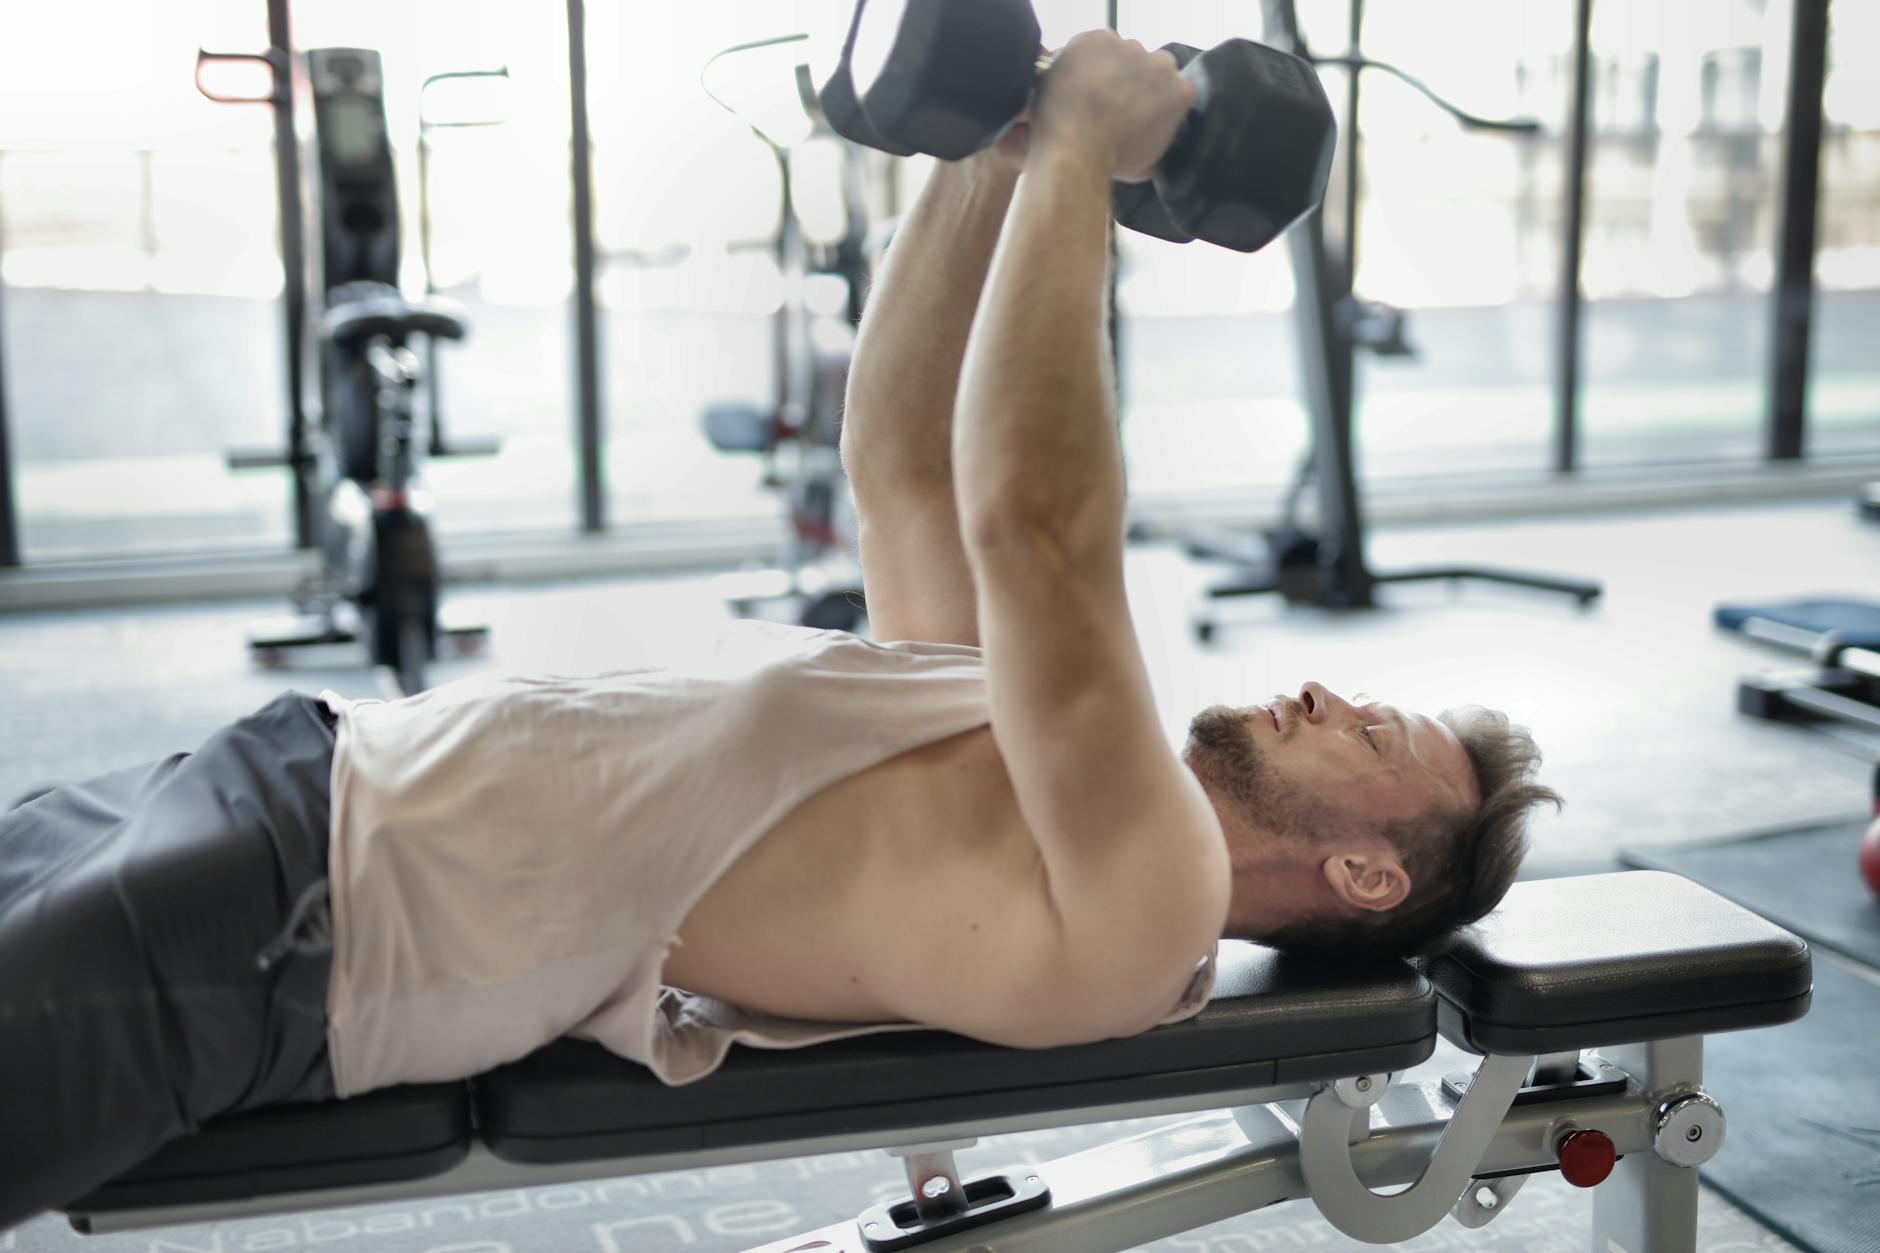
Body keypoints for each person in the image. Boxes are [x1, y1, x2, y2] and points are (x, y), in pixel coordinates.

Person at [0, 32, 1557, 1231]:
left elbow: (1041, 528)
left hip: (301, 927)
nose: (1322, 688)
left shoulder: (1149, 894)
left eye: (1370, 731)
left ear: (1364, 872)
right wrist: (997, 154)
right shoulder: (1016, 743)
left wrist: (1085, 140)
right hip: (275, 783)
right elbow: (899, 465)